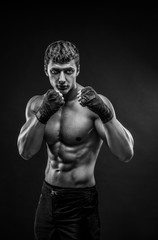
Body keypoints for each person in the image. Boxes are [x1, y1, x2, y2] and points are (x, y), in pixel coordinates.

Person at [17, 40, 134, 240]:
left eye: (68, 71)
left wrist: (106, 115)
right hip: (47, 199)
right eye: (55, 71)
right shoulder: (37, 105)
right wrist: (42, 115)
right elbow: (25, 152)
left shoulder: (95, 105)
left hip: (80, 203)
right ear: (46, 70)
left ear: (78, 69)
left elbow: (126, 153)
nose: (62, 78)